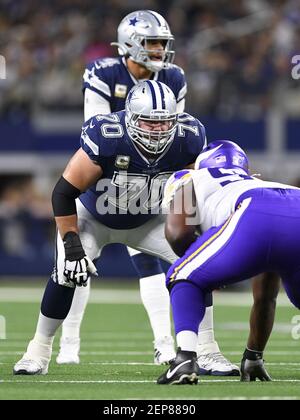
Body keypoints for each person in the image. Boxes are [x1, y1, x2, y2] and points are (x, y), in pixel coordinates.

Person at [57, 9, 238, 375]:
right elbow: (95, 127)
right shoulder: (104, 72)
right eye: (152, 42)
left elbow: (176, 132)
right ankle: (68, 343)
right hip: (108, 167)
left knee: (166, 261)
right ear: (128, 44)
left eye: (162, 43)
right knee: (75, 265)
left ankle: (169, 346)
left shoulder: (173, 76)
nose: (159, 50)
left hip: (154, 172)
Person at [13, 80, 207, 375]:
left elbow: (195, 190)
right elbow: (63, 193)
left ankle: (206, 351)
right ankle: (38, 350)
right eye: (148, 123)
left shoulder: (188, 138)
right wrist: (72, 244)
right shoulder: (108, 136)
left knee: (199, 267)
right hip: (94, 219)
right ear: (130, 118)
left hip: (148, 221)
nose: (157, 131)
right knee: (67, 272)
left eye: (164, 122)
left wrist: (200, 235)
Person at [157, 140, 300, 384]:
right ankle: (253, 359)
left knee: (182, 275)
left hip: (254, 209)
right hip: (294, 200)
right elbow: (266, 292)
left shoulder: (188, 177)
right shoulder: (257, 179)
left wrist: (204, 272)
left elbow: (177, 234)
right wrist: (253, 357)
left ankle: (185, 358)